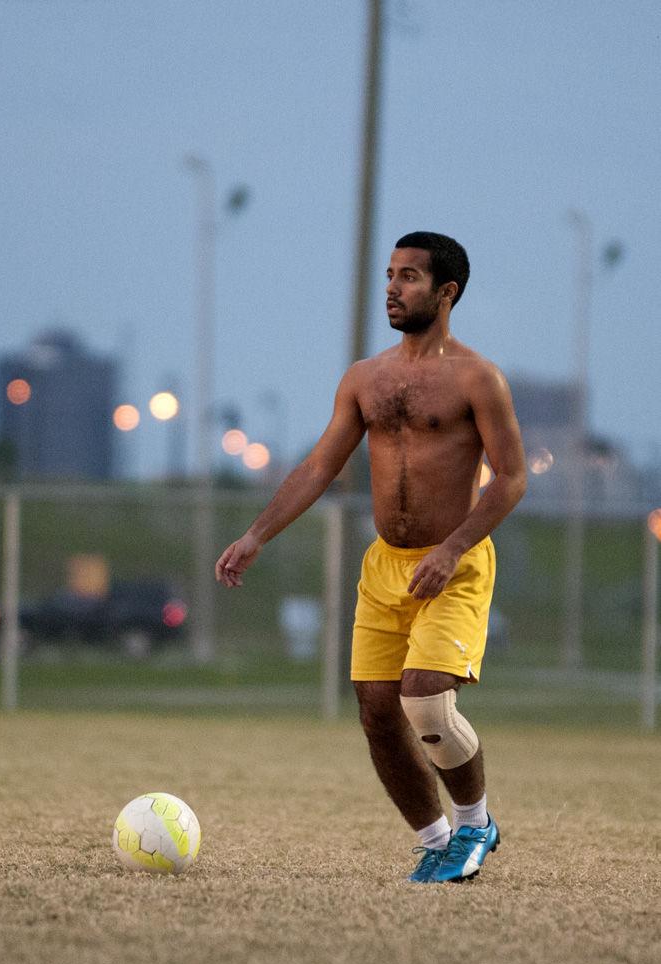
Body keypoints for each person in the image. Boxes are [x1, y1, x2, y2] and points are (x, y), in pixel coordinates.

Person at [215, 232, 527, 883]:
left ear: (447, 292)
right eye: (389, 274)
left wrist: (452, 546)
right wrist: (256, 534)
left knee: (427, 703)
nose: (392, 286)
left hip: (454, 566)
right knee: (378, 710)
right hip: (386, 566)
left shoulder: (477, 378)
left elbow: (511, 479)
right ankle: (436, 838)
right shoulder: (365, 378)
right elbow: (319, 465)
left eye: (409, 276)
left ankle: (475, 823)